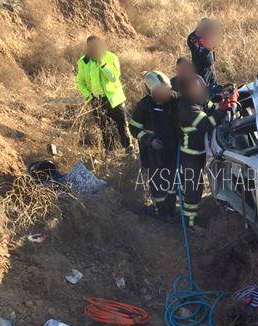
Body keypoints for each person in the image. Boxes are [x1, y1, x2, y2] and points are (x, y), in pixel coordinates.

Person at [177, 75, 234, 227]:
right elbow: (207, 124)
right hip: (191, 155)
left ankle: (192, 216)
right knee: (193, 189)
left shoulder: (198, 100)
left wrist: (222, 100)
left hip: (202, 152)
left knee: (197, 186)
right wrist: (222, 109)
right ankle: (189, 223)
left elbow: (210, 108)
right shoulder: (186, 108)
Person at [129, 71, 181, 219]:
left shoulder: (174, 98)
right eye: (160, 91)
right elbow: (134, 128)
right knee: (158, 185)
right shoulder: (143, 106)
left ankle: (171, 210)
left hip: (171, 149)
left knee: (171, 183)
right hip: (153, 153)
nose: (165, 93)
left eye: (167, 89)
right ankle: (159, 212)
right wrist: (149, 140)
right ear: (151, 91)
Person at [76, 35, 133, 154]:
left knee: (122, 125)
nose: (94, 49)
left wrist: (101, 63)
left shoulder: (111, 57)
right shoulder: (83, 61)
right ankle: (110, 153)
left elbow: (113, 77)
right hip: (96, 100)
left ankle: (129, 150)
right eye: (91, 47)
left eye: (96, 46)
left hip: (114, 98)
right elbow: (80, 81)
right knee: (104, 128)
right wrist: (88, 96)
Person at [187, 18, 221, 93]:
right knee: (204, 86)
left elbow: (212, 46)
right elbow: (198, 54)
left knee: (213, 83)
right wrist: (207, 49)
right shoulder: (193, 38)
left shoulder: (207, 35)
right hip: (201, 67)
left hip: (209, 65)